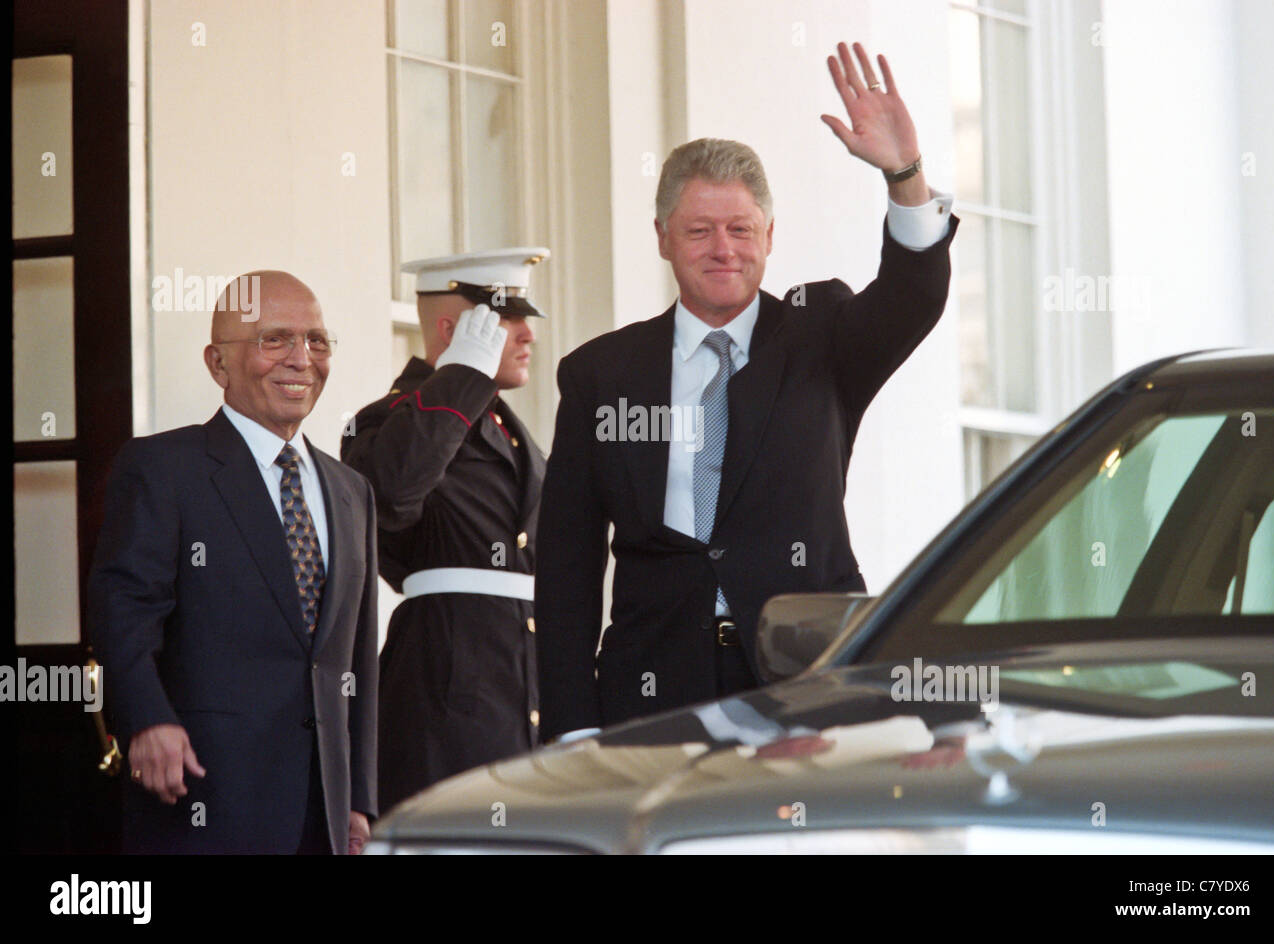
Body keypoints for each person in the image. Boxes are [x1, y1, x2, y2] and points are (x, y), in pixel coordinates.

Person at [535, 42, 959, 741]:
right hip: (649, 696)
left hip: (806, 687)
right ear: (663, 238)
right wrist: (574, 729)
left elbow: (914, 295)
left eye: (740, 229)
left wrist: (904, 176)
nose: (722, 248)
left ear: (769, 235)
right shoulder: (599, 376)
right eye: (699, 231)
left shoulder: (823, 335)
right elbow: (567, 570)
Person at [88, 270, 378, 854]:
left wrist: (359, 798)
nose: (302, 359)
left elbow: (357, 661)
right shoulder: (164, 468)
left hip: (322, 814)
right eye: (275, 340)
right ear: (217, 364)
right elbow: (122, 609)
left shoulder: (352, 491)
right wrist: (145, 719)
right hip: (204, 798)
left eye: (317, 341)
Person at [342, 248, 549, 813]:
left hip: (524, 688)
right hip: (447, 693)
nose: (528, 334)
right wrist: (458, 378)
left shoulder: (510, 431)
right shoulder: (385, 420)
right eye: (508, 319)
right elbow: (392, 492)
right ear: (453, 329)